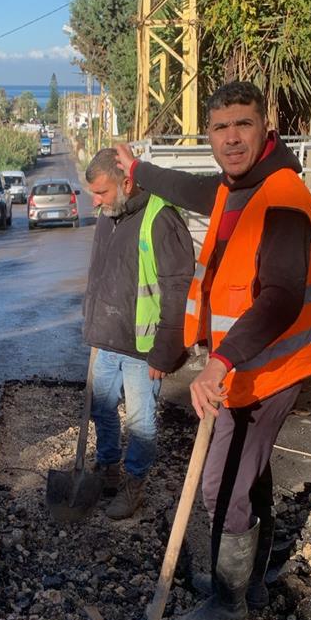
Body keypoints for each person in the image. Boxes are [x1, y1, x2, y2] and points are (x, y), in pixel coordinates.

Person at [116, 80, 311, 620]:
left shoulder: (281, 199)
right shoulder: (235, 187)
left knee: (222, 483)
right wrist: (137, 170)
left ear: (267, 130)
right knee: (248, 472)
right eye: (220, 127)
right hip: (247, 364)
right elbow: (187, 187)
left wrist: (218, 363)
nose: (231, 138)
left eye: (243, 124)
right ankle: (253, 576)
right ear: (210, 135)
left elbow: (281, 296)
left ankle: (230, 600)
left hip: (271, 366)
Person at [83, 147, 194, 519]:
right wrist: (92, 327)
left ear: (127, 182)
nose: (96, 203)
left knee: (140, 422)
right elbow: (99, 277)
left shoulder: (161, 218)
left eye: (101, 193)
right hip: (108, 339)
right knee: (101, 409)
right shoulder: (109, 216)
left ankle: (134, 486)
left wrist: (166, 352)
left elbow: (178, 290)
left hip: (142, 349)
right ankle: (108, 469)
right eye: (93, 195)